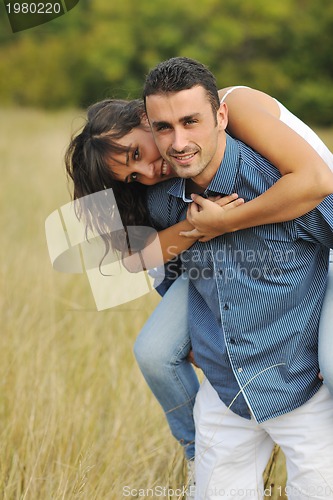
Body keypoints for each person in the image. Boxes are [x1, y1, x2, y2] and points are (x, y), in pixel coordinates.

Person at [65, 81, 333, 494]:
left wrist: (224, 222)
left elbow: (315, 182)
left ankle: (307, 435)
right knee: (154, 351)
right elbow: (144, 261)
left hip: (307, 219)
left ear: (147, 119)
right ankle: (202, 454)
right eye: (132, 175)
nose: (149, 171)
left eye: (138, 154)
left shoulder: (234, 109)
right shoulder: (161, 190)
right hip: (216, 246)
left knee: (328, 363)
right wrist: (204, 325)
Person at [142, 57, 333, 498]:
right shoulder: (164, 202)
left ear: (221, 116)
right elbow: (162, 271)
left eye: (191, 121)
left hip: (302, 388)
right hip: (225, 395)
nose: (179, 141)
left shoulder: (285, 185)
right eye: (164, 127)